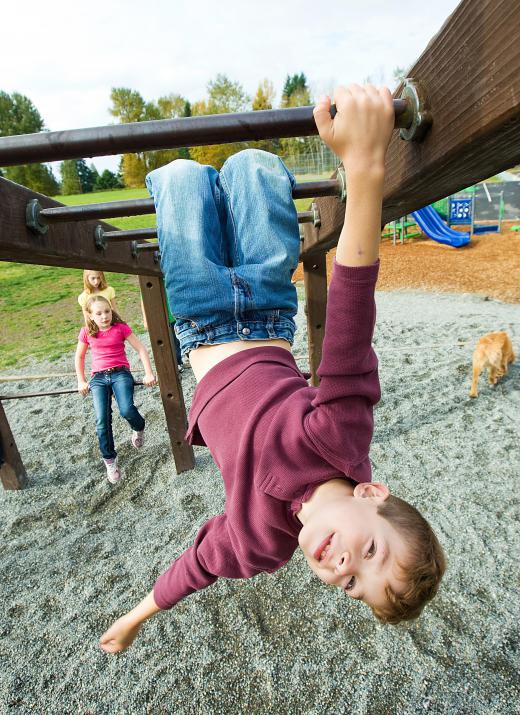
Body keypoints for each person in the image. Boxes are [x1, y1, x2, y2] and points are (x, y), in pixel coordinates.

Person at [100, 85, 446, 654]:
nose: (342, 567)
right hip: (265, 309)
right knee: (255, 167)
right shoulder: (340, 437)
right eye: (370, 552)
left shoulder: (259, 540)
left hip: (202, 317)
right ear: (371, 494)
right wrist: (364, 167)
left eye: (353, 586)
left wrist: (136, 616)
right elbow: (351, 318)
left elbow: (199, 564)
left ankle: (193, 172)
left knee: (181, 177)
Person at [75, 295, 157, 484]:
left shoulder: (121, 328)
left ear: (111, 310)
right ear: (90, 315)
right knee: (102, 420)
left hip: (120, 374)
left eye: (107, 311)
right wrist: (81, 380)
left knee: (126, 409)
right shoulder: (87, 332)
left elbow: (141, 349)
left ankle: (138, 427)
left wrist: (148, 373)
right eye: (99, 313)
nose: (104, 316)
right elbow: (79, 357)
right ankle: (110, 460)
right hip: (98, 378)